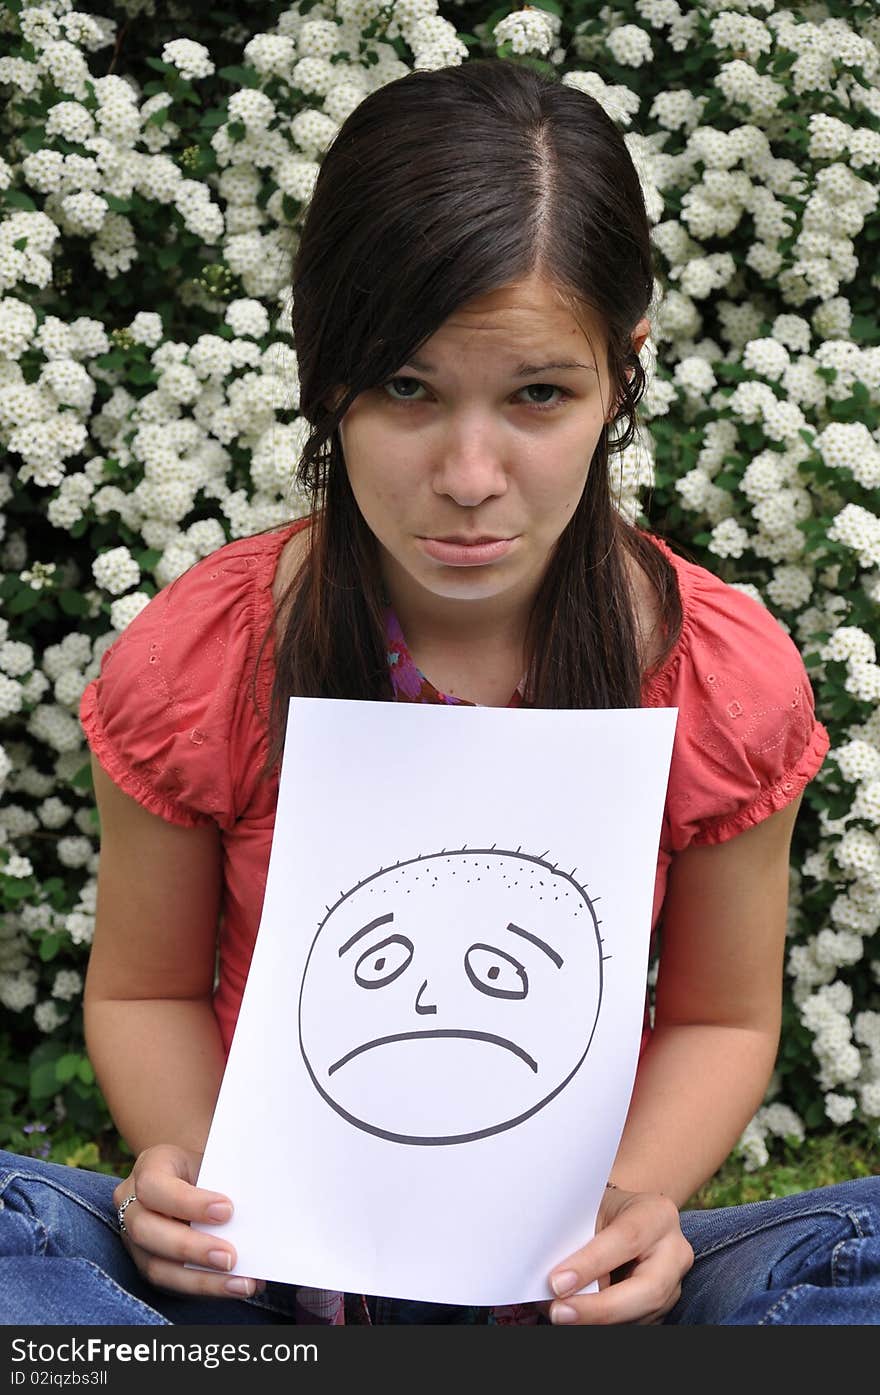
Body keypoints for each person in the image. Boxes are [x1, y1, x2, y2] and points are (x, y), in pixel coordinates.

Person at [1, 56, 878, 1329]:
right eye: (406, 389)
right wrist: (198, 1188)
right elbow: (142, 990)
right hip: (273, 1292)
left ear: (622, 374)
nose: (470, 474)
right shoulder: (208, 658)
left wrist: (636, 1205)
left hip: (567, 1291)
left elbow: (720, 1016)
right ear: (325, 368)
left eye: (538, 396)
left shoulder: (716, 679)